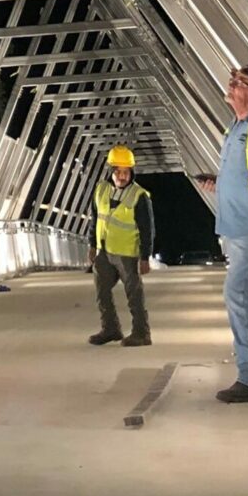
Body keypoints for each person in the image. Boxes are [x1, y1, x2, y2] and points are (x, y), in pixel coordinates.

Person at [193, 61, 248, 404]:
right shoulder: (238, 127)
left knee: (238, 296)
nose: (230, 87)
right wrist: (219, 183)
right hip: (242, 225)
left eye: (239, 83)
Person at [87, 144, 153, 347]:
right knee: (102, 292)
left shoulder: (139, 195)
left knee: (134, 295)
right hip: (104, 252)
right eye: (118, 172)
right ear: (111, 172)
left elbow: (147, 228)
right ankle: (110, 329)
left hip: (127, 254)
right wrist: (91, 244)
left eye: (126, 172)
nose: (122, 176)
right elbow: (95, 218)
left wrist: (145, 257)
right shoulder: (101, 190)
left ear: (131, 173)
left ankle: (142, 334)